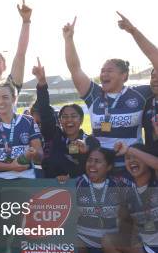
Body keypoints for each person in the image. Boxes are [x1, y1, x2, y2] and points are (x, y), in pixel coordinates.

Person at [63, 14, 155, 169]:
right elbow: (75, 68)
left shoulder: (141, 94)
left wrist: (133, 32)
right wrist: (68, 40)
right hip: (101, 169)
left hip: (132, 167)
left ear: (124, 75)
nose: (103, 74)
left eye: (109, 71)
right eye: (102, 71)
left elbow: (155, 59)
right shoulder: (94, 95)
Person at [30, 58, 99, 181]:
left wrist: (83, 154)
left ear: (81, 120)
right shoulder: (53, 134)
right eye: (65, 117)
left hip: (78, 189)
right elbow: (45, 110)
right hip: (50, 189)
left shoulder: (91, 141)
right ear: (60, 120)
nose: (69, 120)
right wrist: (42, 83)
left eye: (73, 116)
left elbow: (93, 167)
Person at [102, 143, 158, 253]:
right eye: (128, 158)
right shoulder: (127, 190)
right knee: (109, 241)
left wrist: (129, 149)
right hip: (146, 249)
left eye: (136, 157)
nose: (132, 161)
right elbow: (125, 223)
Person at [0, 82, 43, 179]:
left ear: (14, 98)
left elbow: (40, 157)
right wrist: (11, 167)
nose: (0, 102)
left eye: (5, 97)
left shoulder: (28, 121)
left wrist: (35, 153)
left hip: (26, 179)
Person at [75, 148, 129, 253]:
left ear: (108, 167)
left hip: (107, 243)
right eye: (90, 160)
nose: (92, 164)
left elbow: (127, 215)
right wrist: (60, 182)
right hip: (83, 240)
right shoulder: (77, 183)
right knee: (76, 248)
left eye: (98, 161)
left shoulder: (118, 184)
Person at [116, 13, 158, 156]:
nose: (155, 79)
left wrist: (133, 31)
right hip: (151, 159)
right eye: (152, 76)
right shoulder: (146, 97)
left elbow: (154, 55)